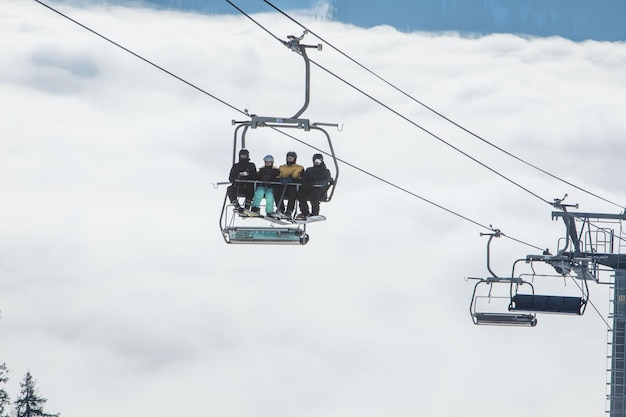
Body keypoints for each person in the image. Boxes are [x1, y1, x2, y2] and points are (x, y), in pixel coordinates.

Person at [296, 153, 331, 220]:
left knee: (313, 196)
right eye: (315, 161)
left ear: (321, 161)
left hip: (320, 189)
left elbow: (325, 181)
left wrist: (315, 183)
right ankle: (305, 212)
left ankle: (315, 213)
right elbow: (304, 179)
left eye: (318, 161)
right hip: (309, 188)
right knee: (301, 195)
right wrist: (305, 184)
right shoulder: (309, 170)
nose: (316, 163)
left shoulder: (325, 171)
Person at [273, 151, 304, 219]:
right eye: (288, 158)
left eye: (291, 158)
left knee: (292, 193)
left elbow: (302, 179)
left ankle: (289, 211)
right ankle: (280, 209)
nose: (289, 159)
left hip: (293, 185)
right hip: (283, 185)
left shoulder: (300, 168)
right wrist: (281, 179)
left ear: (294, 159)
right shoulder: (282, 167)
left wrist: (293, 180)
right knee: (276, 191)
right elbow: (278, 176)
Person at [227, 149, 256, 213]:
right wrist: (238, 176)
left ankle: (247, 205)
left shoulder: (251, 166)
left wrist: (247, 175)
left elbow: (255, 176)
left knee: (250, 188)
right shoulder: (236, 166)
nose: (243, 157)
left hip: (248, 185)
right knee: (230, 189)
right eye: (242, 155)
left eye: (244, 155)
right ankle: (236, 205)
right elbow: (231, 178)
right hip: (238, 185)